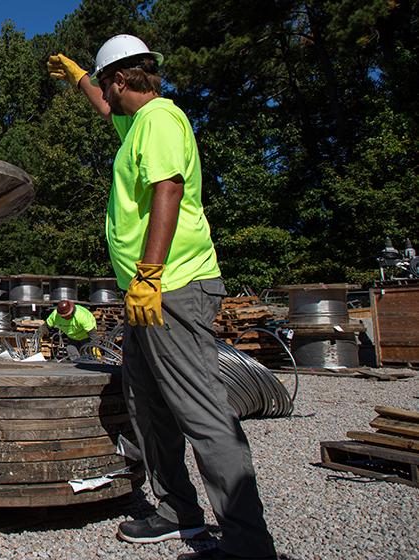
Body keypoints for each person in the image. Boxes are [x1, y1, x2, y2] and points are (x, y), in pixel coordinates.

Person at [48, 36, 277, 560]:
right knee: (147, 402)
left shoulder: (161, 121)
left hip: (171, 287)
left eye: (107, 82)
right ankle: (178, 512)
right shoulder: (136, 124)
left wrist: (149, 274)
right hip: (144, 294)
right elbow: (108, 110)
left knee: (199, 410)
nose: (104, 94)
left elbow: (167, 191)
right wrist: (82, 74)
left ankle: (247, 544)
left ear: (123, 80)